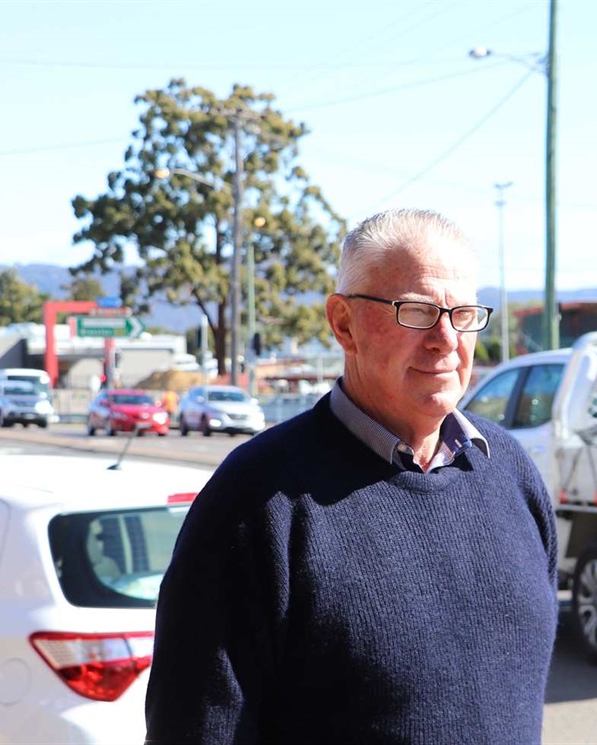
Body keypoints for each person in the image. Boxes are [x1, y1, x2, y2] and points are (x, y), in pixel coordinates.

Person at [145, 208, 557, 744]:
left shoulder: (511, 474)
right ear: (343, 323)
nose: (445, 340)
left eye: (464, 315)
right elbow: (196, 729)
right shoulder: (256, 502)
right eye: (417, 312)